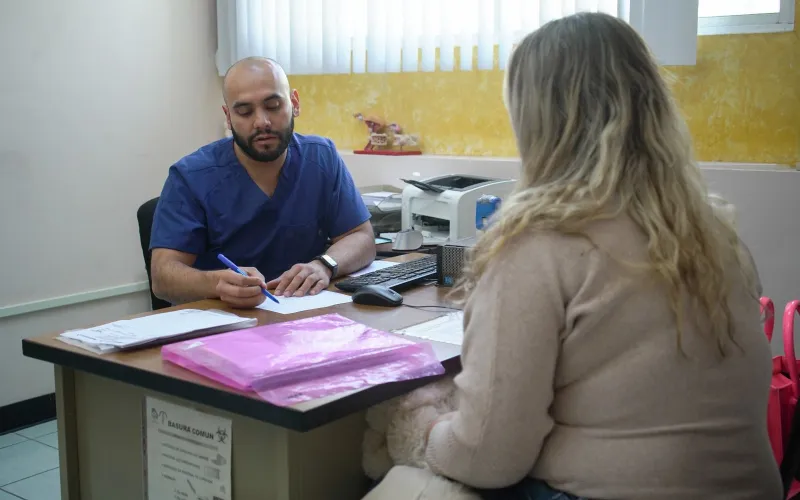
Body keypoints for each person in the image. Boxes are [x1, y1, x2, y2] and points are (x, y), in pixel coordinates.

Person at [392, 12, 779, 500]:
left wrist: (422, 432)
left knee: (398, 482)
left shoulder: (536, 244)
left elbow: (488, 458)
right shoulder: (712, 230)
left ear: (533, 119)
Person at [149, 57, 375, 308]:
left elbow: (361, 237)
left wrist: (324, 265)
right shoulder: (191, 176)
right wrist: (216, 283)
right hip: (226, 319)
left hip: (305, 312)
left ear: (294, 103)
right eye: (244, 112)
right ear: (228, 117)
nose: (262, 122)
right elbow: (162, 276)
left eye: (273, 106)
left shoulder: (321, 157)